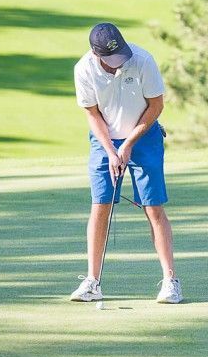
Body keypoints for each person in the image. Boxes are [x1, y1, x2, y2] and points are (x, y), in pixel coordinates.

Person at [69, 22, 183, 304]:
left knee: (153, 207)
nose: (116, 64)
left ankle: (171, 282)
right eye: (109, 60)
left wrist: (129, 143)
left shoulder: (142, 61)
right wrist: (111, 150)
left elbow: (155, 107)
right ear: (95, 54)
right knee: (100, 206)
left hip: (144, 136)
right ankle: (92, 282)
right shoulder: (84, 69)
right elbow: (92, 114)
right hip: (104, 139)